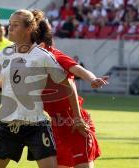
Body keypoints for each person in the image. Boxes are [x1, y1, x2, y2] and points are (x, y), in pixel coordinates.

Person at [0, 9, 85, 168]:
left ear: (28, 29)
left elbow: (68, 86)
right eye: (10, 24)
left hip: (36, 126)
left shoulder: (43, 56)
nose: (10, 28)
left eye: (15, 25)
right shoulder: (4, 54)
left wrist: (77, 117)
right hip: (7, 126)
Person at [31, 9, 108, 168]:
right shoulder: (29, 61)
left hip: (75, 120)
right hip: (56, 125)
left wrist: (92, 79)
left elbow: (78, 70)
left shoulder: (53, 56)